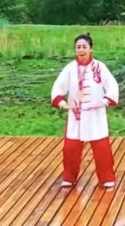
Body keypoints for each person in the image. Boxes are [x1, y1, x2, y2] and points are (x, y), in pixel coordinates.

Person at [51, 33, 119, 188]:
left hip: (95, 113)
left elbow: (112, 86)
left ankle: (107, 177)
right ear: (75, 49)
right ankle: (69, 177)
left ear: (91, 48)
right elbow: (58, 87)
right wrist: (62, 103)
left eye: (84, 47)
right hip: (76, 114)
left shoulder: (99, 67)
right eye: (78, 47)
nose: (81, 50)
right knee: (71, 148)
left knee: (101, 147)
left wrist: (104, 101)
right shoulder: (70, 69)